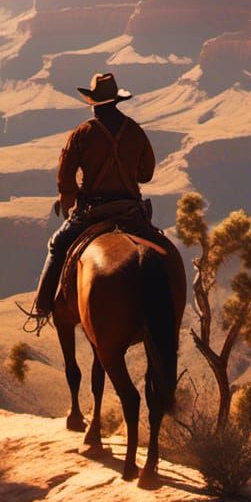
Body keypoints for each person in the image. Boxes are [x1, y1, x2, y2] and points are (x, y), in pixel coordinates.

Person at [26, 72, 156, 326]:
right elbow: (147, 174)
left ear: (94, 104)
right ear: (117, 101)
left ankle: (42, 306)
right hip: (131, 211)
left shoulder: (83, 133)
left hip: (94, 211)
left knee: (57, 244)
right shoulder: (135, 130)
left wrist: (69, 198)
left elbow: (65, 178)